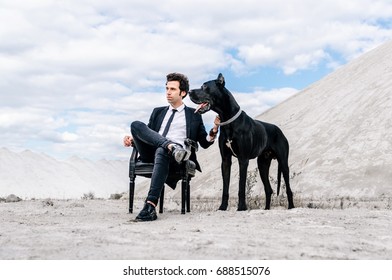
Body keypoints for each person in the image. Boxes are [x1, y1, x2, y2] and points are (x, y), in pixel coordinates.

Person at [123, 72, 219, 221]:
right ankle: (170, 145)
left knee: (163, 150)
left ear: (183, 93)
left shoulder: (194, 115)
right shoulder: (157, 111)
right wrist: (133, 141)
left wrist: (214, 129)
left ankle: (150, 206)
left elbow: (205, 142)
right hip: (152, 150)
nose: (168, 92)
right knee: (135, 125)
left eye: (172, 89)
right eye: (167, 88)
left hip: (176, 157)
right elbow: (148, 133)